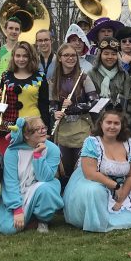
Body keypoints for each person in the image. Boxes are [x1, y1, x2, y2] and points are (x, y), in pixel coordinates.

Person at [62, 110, 131, 232]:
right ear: (101, 124)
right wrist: (115, 185)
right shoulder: (92, 143)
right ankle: (94, 220)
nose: (112, 127)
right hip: (92, 182)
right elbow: (90, 174)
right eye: (108, 122)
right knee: (94, 190)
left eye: (116, 123)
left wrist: (121, 199)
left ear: (122, 125)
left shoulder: (130, 146)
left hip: (120, 189)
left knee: (125, 215)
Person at [0, 116, 63, 234]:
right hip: (18, 194)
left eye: (44, 127)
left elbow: (45, 178)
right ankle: (29, 218)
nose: (43, 131)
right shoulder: (12, 152)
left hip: (40, 189)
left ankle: (42, 219)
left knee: (47, 188)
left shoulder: (52, 149)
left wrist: (38, 156)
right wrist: (17, 209)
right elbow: (10, 182)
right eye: (37, 129)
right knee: (6, 228)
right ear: (26, 135)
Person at [49, 42, 98, 181]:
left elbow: (94, 102)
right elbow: (51, 104)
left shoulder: (84, 77)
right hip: (63, 129)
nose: (70, 58)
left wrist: (75, 106)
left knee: (80, 168)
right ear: (59, 58)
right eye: (66, 55)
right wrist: (54, 112)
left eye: (73, 55)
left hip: (82, 127)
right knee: (64, 169)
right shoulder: (53, 80)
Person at [0, 42, 50, 134]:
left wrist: (46, 129)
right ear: (13, 57)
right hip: (9, 125)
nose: (21, 59)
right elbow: (0, 99)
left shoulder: (40, 76)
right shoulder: (5, 76)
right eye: (18, 56)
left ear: (31, 57)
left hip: (34, 125)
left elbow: (44, 105)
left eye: (25, 56)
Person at [89, 38, 131, 119]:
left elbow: (128, 100)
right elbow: (90, 102)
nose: (110, 57)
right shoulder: (91, 74)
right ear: (100, 55)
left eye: (113, 54)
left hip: (119, 120)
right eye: (106, 54)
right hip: (98, 119)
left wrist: (124, 122)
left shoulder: (123, 74)